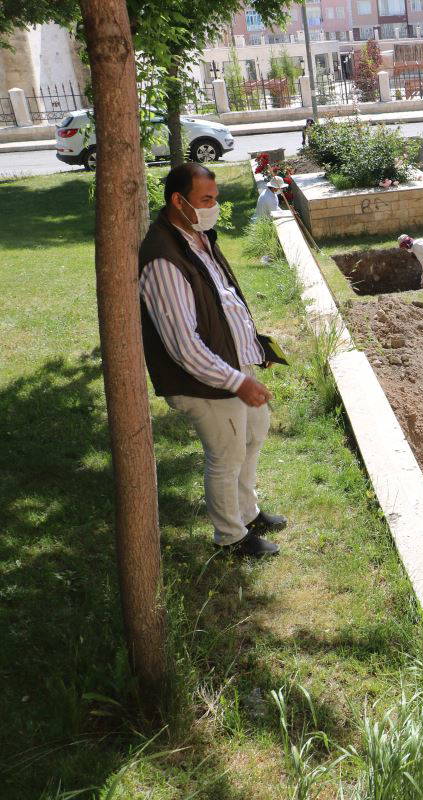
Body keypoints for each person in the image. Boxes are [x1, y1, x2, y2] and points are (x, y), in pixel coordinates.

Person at [138, 162, 285, 558]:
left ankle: (247, 511)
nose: (213, 206)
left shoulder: (197, 236)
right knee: (225, 455)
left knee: (253, 434)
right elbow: (183, 346)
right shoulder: (163, 258)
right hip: (204, 381)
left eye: (214, 199)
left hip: (234, 364)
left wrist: (255, 349)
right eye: (206, 200)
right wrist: (238, 381)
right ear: (178, 200)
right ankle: (231, 537)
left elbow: (224, 300)